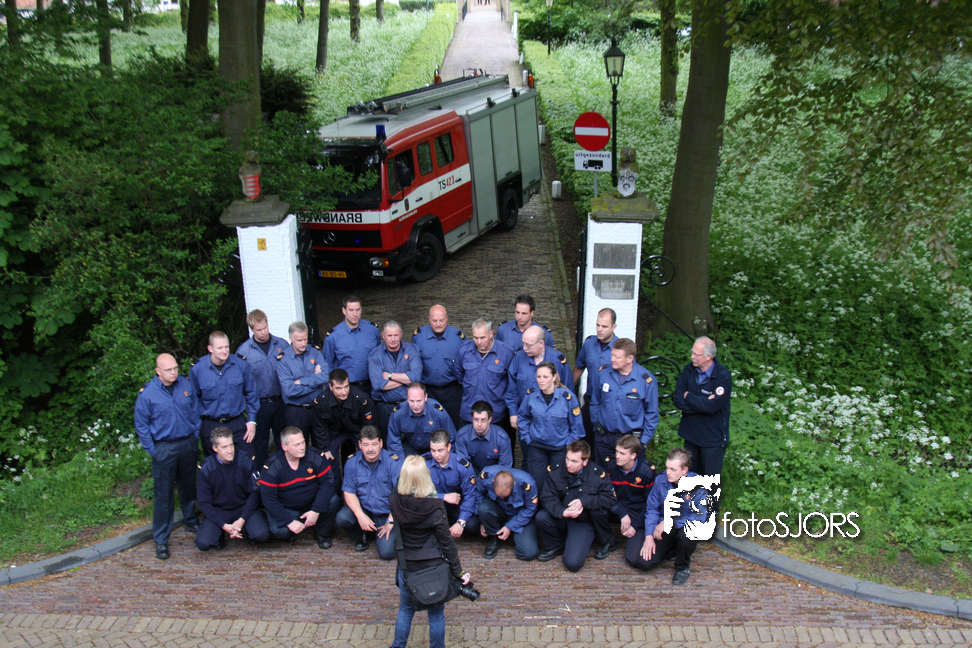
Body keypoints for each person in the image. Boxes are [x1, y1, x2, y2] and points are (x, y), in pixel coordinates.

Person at [390, 456, 472, 648]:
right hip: (432, 567)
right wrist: (459, 571)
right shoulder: (434, 506)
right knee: (435, 615)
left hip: (407, 565)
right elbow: (447, 543)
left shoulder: (395, 499)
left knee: (405, 610)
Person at [134, 353, 200, 560]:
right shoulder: (148, 394)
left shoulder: (185, 385)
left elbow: (196, 411)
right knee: (164, 494)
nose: (173, 372)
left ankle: (191, 521)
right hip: (164, 447)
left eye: (175, 368)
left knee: (188, 486)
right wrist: (153, 451)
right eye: (168, 370)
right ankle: (161, 539)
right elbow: (142, 425)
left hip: (187, 443)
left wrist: (195, 435)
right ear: (158, 371)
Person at [535, 440, 616, 572]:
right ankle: (556, 545)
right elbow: (547, 497)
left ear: (585, 461)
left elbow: (609, 498)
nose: (568, 464)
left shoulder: (597, 475)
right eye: (567, 459)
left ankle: (581, 542)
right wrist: (562, 511)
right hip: (563, 515)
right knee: (541, 517)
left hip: (582, 521)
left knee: (572, 563)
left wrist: (584, 501)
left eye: (574, 461)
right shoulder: (555, 470)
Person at [633, 447, 710, 585]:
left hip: (686, 526)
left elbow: (699, 518)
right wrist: (649, 536)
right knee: (644, 563)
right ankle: (672, 549)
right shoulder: (660, 480)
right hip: (665, 527)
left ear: (684, 470)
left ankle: (682, 567)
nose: (668, 472)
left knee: (688, 535)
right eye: (667, 468)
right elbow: (652, 509)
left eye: (673, 469)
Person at [257, 426, 340, 548]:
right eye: (297, 445)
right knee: (280, 531)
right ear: (284, 447)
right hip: (288, 507)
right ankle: (291, 531)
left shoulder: (315, 456)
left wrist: (316, 510)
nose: (302, 447)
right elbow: (269, 499)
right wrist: (289, 521)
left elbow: (328, 483)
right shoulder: (272, 467)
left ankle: (322, 533)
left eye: (303, 443)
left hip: (312, 502)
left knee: (333, 500)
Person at [195, 426, 269, 551]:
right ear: (215, 448)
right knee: (203, 543)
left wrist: (241, 520)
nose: (230, 450)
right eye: (224, 447)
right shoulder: (206, 468)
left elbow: (254, 493)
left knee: (261, 534)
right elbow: (204, 502)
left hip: (243, 507)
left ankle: (248, 531)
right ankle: (220, 534)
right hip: (220, 510)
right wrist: (223, 525)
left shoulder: (246, 461)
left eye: (231, 445)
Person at [589, 338, 659, 466]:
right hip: (605, 438)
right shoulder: (603, 373)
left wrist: (643, 441)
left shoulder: (645, 380)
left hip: (631, 442)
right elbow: (595, 401)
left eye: (617, 357)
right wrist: (597, 426)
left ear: (630, 358)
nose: (612, 359)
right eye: (612, 355)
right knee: (602, 475)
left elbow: (652, 413)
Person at [336, 425, 402, 559]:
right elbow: (348, 492)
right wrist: (360, 515)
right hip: (365, 510)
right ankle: (364, 533)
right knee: (343, 517)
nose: (370, 449)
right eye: (366, 445)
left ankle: (379, 532)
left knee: (387, 553)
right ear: (360, 445)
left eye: (374, 444)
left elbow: (401, 494)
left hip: (387, 514)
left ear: (381, 443)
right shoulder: (352, 462)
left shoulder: (393, 463)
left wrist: (390, 521)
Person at [517, 362, 584, 493]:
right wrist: (527, 438)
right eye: (539, 377)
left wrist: (568, 444)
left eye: (545, 377)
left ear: (554, 377)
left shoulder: (567, 398)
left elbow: (577, 426)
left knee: (558, 485)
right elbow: (522, 417)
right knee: (537, 484)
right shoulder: (531, 395)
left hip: (559, 448)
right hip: (537, 447)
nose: (541, 380)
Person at [190, 331, 259, 458]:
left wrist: (252, 421)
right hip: (211, 424)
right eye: (220, 348)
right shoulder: (198, 369)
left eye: (226, 347)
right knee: (215, 464)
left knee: (247, 460)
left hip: (236, 422)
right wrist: (198, 428)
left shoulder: (240, 365)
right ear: (210, 349)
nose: (224, 351)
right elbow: (194, 401)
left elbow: (251, 393)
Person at [236, 309, 291, 468]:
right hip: (259, 404)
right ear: (252, 329)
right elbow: (240, 381)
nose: (263, 332)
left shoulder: (281, 344)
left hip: (281, 401)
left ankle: (285, 471)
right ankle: (263, 473)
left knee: (284, 440)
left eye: (265, 327)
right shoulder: (244, 351)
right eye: (259, 330)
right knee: (260, 443)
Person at [674, 336, 732, 479]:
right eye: (692, 352)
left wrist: (689, 396)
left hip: (712, 438)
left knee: (710, 482)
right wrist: (703, 404)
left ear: (708, 356)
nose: (691, 356)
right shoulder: (688, 370)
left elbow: (712, 407)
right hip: (691, 435)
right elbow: (678, 399)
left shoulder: (723, 376)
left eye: (696, 354)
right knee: (691, 479)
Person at [455, 318, 515, 440]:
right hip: (469, 412)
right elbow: (459, 373)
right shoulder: (463, 350)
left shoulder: (506, 352)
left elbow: (512, 381)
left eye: (483, 338)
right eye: (475, 338)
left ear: (491, 334)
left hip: (496, 413)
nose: (479, 342)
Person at [311, 368, 375, 481]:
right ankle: (336, 488)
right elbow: (320, 427)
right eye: (339, 388)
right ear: (330, 387)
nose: (344, 392)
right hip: (334, 433)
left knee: (369, 454)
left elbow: (369, 425)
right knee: (328, 458)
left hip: (357, 431)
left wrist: (368, 445)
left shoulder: (361, 399)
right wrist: (324, 449)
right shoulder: (322, 402)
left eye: (346, 387)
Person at [506, 325, 571, 431]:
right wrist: (513, 413)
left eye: (528, 345)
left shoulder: (558, 361)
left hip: (553, 421)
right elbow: (512, 389)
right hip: (526, 419)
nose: (524, 348)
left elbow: (568, 390)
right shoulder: (519, 358)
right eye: (523, 343)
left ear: (541, 343)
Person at [412, 304, 466, 429]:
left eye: (441, 320)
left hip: (452, 391)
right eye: (434, 321)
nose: (438, 324)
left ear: (447, 318)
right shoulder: (419, 337)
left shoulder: (458, 338)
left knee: (453, 427)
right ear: (429, 319)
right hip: (428, 391)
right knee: (430, 427)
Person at [607, 434, 657, 567]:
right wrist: (621, 512)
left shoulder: (646, 472)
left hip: (636, 512)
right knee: (596, 509)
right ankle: (607, 541)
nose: (617, 456)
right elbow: (606, 495)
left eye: (622, 453)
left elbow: (649, 504)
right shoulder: (610, 466)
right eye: (617, 452)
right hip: (615, 507)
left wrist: (635, 526)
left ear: (633, 456)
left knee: (633, 559)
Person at [572, 308, 618, 447]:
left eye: (604, 326)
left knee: (603, 445)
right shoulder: (589, 344)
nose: (599, 329)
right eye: (598, 325)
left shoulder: (619, 349)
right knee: (584, 442)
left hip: (609, 404)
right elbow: (579, 367)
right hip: (590, 401)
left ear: (614, 327)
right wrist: (568, 390)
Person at [368, 320, 423, 434]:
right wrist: (406, 378)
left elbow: (417, 378)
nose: (393, 339)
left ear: (401, 334)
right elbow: (378, 384)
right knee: (387, 439)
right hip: (385, 408)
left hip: (409, 406)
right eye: (389, 336)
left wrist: (389, 376)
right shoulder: (375, 354)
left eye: (396, 335)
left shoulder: (411, 350)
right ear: (383, 335)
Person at [277, 321, 330, 438]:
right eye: (299, 340)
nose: (303, 343)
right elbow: (289, 390)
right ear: (290, 338)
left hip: (317, 408)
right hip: (296, 411)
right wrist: (315, 381)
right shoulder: (283, 360)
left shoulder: (315, 352)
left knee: (322, 444)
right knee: (298, 444)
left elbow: (326, 377)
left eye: (305, 339)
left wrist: (301, 381)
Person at [476, 465, 540, 561]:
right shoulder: (486, 476)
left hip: (518, 515)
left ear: (514, 484)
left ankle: (512, 532)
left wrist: (510, 526)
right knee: (483, 509)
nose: (502, 497)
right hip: (498, 510)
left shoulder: (527, 484)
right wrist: (482, 520)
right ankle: (495, 537)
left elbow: (530, 508)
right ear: (493, 481)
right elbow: (478, 494)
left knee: (528, 553)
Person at [425, 429, 479, 537]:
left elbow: (470, 494)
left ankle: (451, 523)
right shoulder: (423, 463)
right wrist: (443, 497)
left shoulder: (462, 466)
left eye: (440, 450)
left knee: (472, 525)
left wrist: (461, 522)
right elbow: (415, 492)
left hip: (455, 503)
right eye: (433, 450)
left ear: (449, 447)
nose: (436, 455)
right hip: (432, 502)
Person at [322, 294, 381, 393]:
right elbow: (327, 366)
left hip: (372, 387)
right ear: (344, 311)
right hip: (347, 389)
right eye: (351, 310)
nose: (355, 314)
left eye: (358, 310)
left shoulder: (372, 330)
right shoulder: (333, 336)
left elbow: (381, 355)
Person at [387, 383, 456, 458]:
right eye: (412, 401)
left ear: (425, 397)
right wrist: (401, 462)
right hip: (411, 448)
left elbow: (450, 436)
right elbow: (393, 441)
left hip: (434, 448)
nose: (415, 405)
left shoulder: (437, 412)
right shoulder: (398, 413)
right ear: (407, 398)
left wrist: (446, 459)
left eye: (419, 401)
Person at [453, 400, 513, 473]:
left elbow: (505, 468)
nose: (479, 424)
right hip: (471, 474)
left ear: (490, 419)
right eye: (476, 419)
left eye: (483, 420)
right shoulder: (462, 436)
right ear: (472, 419)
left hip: (494, 475)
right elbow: (462, 466)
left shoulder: (501, 438)